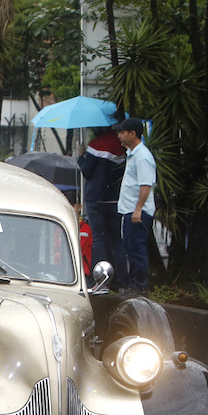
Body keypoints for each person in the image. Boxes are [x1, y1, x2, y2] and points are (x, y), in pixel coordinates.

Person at [77, 127, 126, 286]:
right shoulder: (121, 144)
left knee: (98, 238)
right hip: (115, 199)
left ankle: (102, 279)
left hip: (96, 199)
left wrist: (81, 156)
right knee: (116, 240)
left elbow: (87, 171)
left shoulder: (96, 144)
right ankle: (121, 279)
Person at [114, 117, 156, 292]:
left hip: (137, 212)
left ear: (133, 134)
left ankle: (139, 286)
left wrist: (138, 209)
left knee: (137, 250)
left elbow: (146, 184)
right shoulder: (133, 154)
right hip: (130, 210)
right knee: (130, 248)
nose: (119, 136)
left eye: (123, 132)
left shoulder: (142, 156)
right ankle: (134, 284)